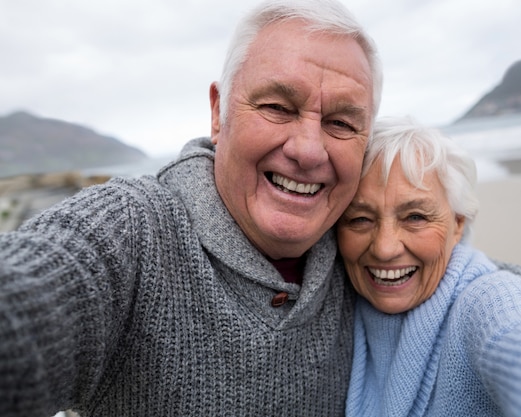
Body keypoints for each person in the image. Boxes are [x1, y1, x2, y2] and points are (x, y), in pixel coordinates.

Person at [0, 1, 382, 416]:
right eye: (277, 107)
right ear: (218, 114)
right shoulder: (132, 231)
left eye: (342, 123)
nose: (308, 151)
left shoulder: (367, 251)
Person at [337, 115, 521, 417]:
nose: (384, 249)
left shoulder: (486, 301)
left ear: (458, 223)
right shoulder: (336, 302)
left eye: (415, 217)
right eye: (360, 219)